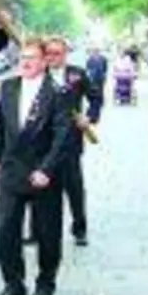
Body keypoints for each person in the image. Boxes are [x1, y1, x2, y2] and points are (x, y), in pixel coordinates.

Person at [0, 37, 72, 295]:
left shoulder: (57, 92)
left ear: (45, 61)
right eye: (23, 57)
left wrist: (46, 169)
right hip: (12, 170)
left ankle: (45, 283)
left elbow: (62, 135)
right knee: (7, 228)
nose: (26, 62)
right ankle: (13, 283)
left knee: (47, 231)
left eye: (32, 58)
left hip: (43, 173)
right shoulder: (9, 87)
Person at [44, 36, 96, 246]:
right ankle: (37, 230)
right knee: (39, 185)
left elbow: (96, 97)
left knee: (73, 186)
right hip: (43, 140)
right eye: (49, 53)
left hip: (70, 141)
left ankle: (79, 228)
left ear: (65, 54)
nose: (52, 57)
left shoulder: (77, 74)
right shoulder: (38, 74)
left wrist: (89, 117)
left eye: (57, 53)